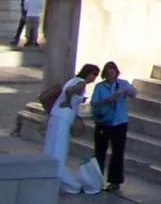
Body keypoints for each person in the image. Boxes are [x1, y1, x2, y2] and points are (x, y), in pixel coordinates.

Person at [42, 62, 98, 193]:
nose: (94, 79)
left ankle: (52, 176)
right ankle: (67, 182)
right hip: (63, 118)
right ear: (89, 74)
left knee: (52, 146)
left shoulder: (73, 80)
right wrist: (68, 100)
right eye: (94, 75)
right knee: (59, 149)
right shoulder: (81, 83)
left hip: (57, 115)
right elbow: (69, 91)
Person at [90, 62, 136, 193]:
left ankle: (114, 181)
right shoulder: (100, 87)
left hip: (119, 122)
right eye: (108, 74)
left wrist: (125, 89)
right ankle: (96, 179)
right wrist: (108, 100)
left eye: (113, 74)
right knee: (100, 151)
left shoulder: (122, 83)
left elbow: (134, 93)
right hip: (104, 122)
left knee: (117, 152)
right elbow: (94, 103)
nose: (111, 77)